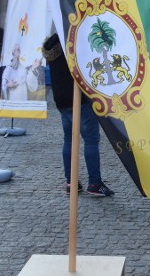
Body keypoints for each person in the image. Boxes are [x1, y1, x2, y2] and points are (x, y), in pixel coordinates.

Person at [42, 32, 114, 197]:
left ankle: (70, 182)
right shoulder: (74, 39)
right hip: (79, 100)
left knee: (69, 139)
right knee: (91, 140)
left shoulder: (52, 44)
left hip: (61, 100)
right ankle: (95, 183)